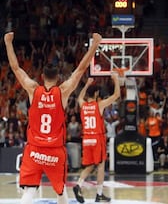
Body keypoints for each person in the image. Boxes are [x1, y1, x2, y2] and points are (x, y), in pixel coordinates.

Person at [4, 32, 102, 204]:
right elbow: (80, 69)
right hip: (55, 151)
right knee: (61, 190)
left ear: (42, 76)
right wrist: (94, 44)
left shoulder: (33, 89)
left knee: (29, 191)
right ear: (58, 78)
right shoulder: (62, 91)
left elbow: (16, 68)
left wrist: (8, 43)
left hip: (34, 149)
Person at [73, 74, 120, 203]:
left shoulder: (83, 105)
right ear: (97, 94)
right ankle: (99, 194)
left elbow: (79, 97)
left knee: (90, 166)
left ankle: (78, 185)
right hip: (97, 138)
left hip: (86, 139)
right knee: (100, 165)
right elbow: (116, 95)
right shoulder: (99, 105)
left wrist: (87, 84)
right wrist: (116, 80)